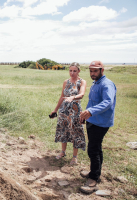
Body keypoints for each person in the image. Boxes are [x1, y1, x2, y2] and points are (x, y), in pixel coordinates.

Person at [79, 61, 117, 194]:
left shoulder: (107, 84)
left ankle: (93, 180)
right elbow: (92, 102)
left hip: (100, 122)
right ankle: (95, 172)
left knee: (93, 150)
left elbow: (108, 102)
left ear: (102, 70)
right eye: (90, 71)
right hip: (92, 120)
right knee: (96, 147)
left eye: (95, 71)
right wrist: (85, 114)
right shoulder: (96, 83)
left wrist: (91, 112)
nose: (92, 73)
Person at [50, 62, 87, 165]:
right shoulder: (66, 82)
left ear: (79, 71)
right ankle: (63, 152)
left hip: (75, 111)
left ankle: (74, 157)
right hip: (64, 111)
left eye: (75, 71)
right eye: (70, 70)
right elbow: (62, 97)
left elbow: (82, 94)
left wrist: (73, 97)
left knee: (76, 133)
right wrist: (55, 110)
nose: (72, 73)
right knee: (63, 131)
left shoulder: (82, 82)